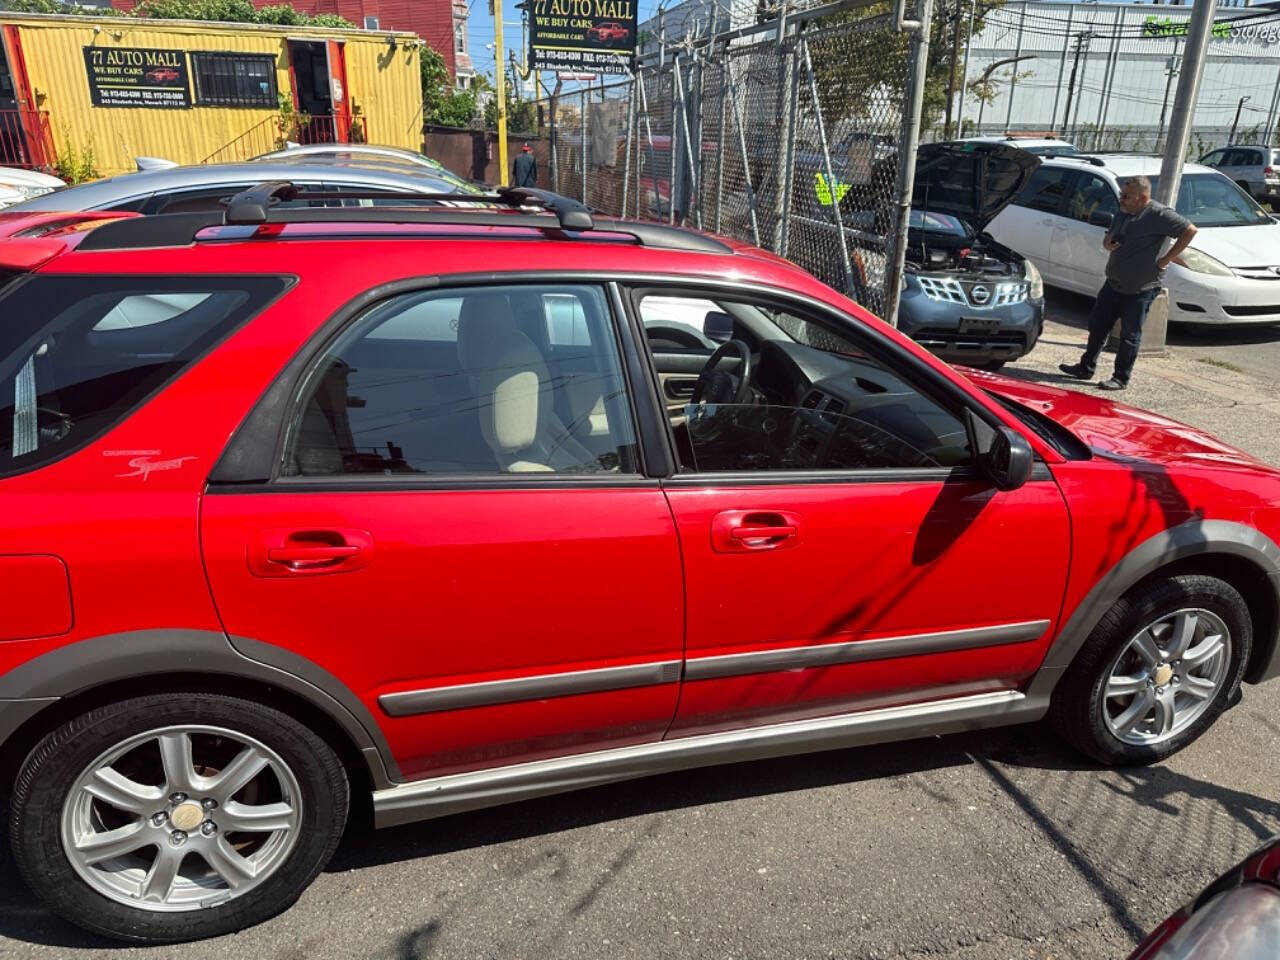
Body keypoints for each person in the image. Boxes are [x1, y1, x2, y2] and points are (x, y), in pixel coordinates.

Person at [1058, 175, 1197, 390]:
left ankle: (1120, 378)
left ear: (1142, 198)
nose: (1121, 199)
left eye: (1126, 196)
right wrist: (1107, 242)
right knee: (1098, 326)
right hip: (1113, 282)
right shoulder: (1124, 212)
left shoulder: (1159, 214)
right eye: (1122, 195)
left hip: (1140, 288)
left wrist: (1166, 259)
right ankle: (1086, 367)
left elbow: (1190, 230)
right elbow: (1111, 234)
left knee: (1129, 335)